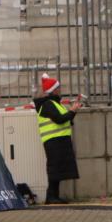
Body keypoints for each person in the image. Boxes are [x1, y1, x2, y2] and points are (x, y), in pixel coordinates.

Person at [34, 73, 81, 204]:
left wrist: (72, 112)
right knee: (55, 168)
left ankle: (54, 196)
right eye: (58, 88)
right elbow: (60, 119)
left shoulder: (55, 104)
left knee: (58, 169)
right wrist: (72, 111)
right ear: (53, 90)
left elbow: (65, 120)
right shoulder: (49, 104)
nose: (60, 90)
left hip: (58, 140)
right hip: (53, 140)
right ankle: (51, 196)